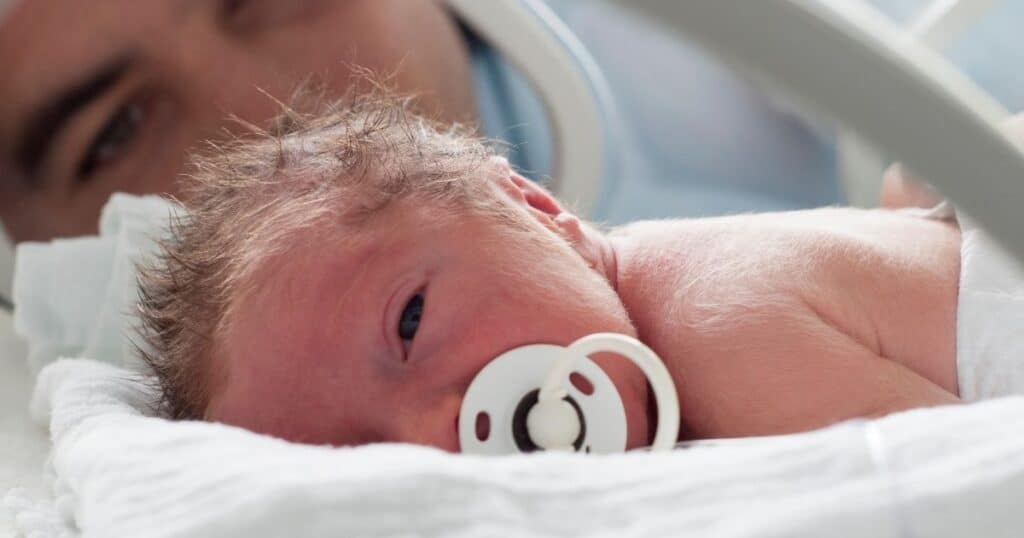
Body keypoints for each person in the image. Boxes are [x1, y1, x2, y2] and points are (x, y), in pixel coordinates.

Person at [135, 91, 1009, 451]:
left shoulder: (718, 336)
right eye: (359, 457)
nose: (438, 436)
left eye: (409, 322)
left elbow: (966, 485)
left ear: (535, 207)